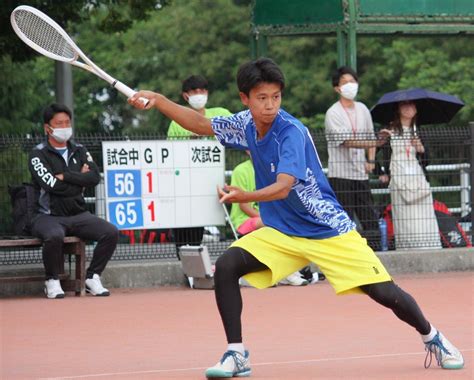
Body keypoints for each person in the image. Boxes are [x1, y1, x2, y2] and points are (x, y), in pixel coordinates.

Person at [128, 58, 464, 377]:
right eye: (261, 98)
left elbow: (284, 186)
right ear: (245, 99)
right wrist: (158, 100)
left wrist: (244, 196)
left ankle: (432, 336)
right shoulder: (244, 123)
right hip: (283, 232)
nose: (270, 105)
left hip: (327, 230)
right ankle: (236, 353)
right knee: (228, 265)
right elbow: (200, 124)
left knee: (384, 292)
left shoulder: (291, 131)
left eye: (275, 97)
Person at [29, 103, 118, 299]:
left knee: (110, 232)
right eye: (58, 123)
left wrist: (67, 176)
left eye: (67, 122)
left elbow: (94, 177)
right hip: (47, 216)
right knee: (53, 236)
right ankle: (52, 280)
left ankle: (92, 277)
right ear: (47, 128)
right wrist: (79, 179)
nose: (64, 127)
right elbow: (52, 185)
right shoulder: (38, 154)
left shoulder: (79, 149)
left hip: (78, 213)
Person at [230, 152, 323, 286]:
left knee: (294, 224)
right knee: (275, 224)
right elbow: (244, 206)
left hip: (269, 218)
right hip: (244, 221)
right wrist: (271, 218)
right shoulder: (241, 170)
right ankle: (288, 273)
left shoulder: (274, 170)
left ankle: (289, 270)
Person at [167, 75, 233, 253]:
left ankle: (197, 262)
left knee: (201, 224)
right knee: (185, 227)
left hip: (211, 181)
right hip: (184, 184)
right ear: (185, 96)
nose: (199, 94)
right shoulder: (177, 121)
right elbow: (170, 152)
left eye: (202, 91)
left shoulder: (220, 114)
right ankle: (186, 263)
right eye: (194, 91)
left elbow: (239, 129)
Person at [325, 66, 384, 251]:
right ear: (337, 88)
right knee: (344, 220)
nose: (350, 85)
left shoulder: (363, 109)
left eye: (353, 81)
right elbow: (346, 141)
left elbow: (370, 137)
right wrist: (377, 142)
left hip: (360, 174)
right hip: (340, 174)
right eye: (345, 82)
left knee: (370, 218)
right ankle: (344, 256)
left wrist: (371, 160)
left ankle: (374, 254)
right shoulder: (332, 112)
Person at [377, 101, 441, 249]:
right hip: (399, 178)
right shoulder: (389, 129)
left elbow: (427, 160)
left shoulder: (419, 131)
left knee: (423, 215)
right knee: (405, 217)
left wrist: (420, 147)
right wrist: (380, 173)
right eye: (404, 105)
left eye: (412, 105)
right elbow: (373, 152)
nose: (408, 108)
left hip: (418, 179)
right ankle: (408, 248)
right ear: (398, 109)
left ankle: (429, 246)